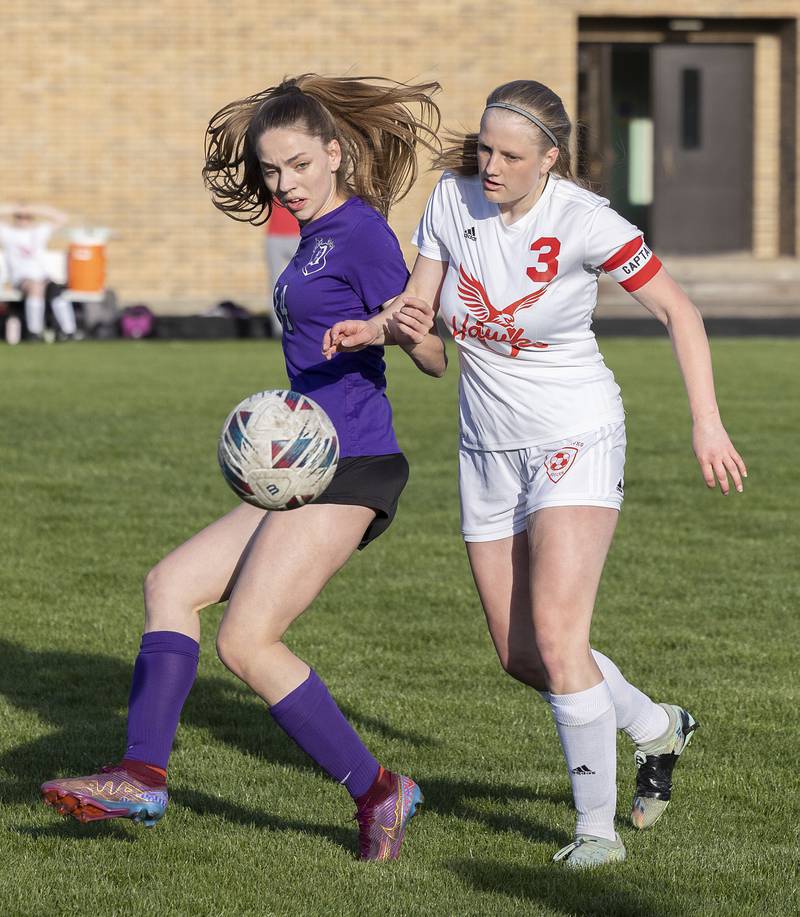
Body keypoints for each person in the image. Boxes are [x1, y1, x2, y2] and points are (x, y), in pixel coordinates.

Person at [324, 79, 747, 867]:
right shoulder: (451, 203)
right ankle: (657, 724)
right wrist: (380, 328)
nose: (491, 165)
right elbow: (423, 324)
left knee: (558, 638)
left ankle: (596, 833)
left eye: (511, 155)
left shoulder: (585, 220)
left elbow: (678, 311)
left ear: (550, 159)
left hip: (576, 435)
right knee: (523, 655)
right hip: (486, 448)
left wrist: (707, 421)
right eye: (485, 148)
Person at [40, 73, 446, 861]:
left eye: (298, 164)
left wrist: (391, 327)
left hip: (354, 463)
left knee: (248, 642)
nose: (284, 183)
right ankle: (141, 774)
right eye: (271, 170)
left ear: (334, 154)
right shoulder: (310, 239)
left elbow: (433, 354)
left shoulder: (360, 233)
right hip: (300, 468)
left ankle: (379, 790)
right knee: (170, 584)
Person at [0, 203, 77, 341]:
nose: (23, 220)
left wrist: (34, 209)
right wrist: (15, 209)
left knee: (56, 290)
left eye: (27, 217)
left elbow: (61, 218)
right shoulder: (8, 233)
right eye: (19, 217)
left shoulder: (39, 231)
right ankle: (34, 332)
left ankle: (69, 331)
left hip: (42, 277)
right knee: (36, 288)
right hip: (22, 278)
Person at [263, 200, 300, 335]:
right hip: (274, 236)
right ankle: (278, 330)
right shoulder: (270, 179)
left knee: (303, 281)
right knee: (275, 283)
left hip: (299, 234)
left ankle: (303, 324)